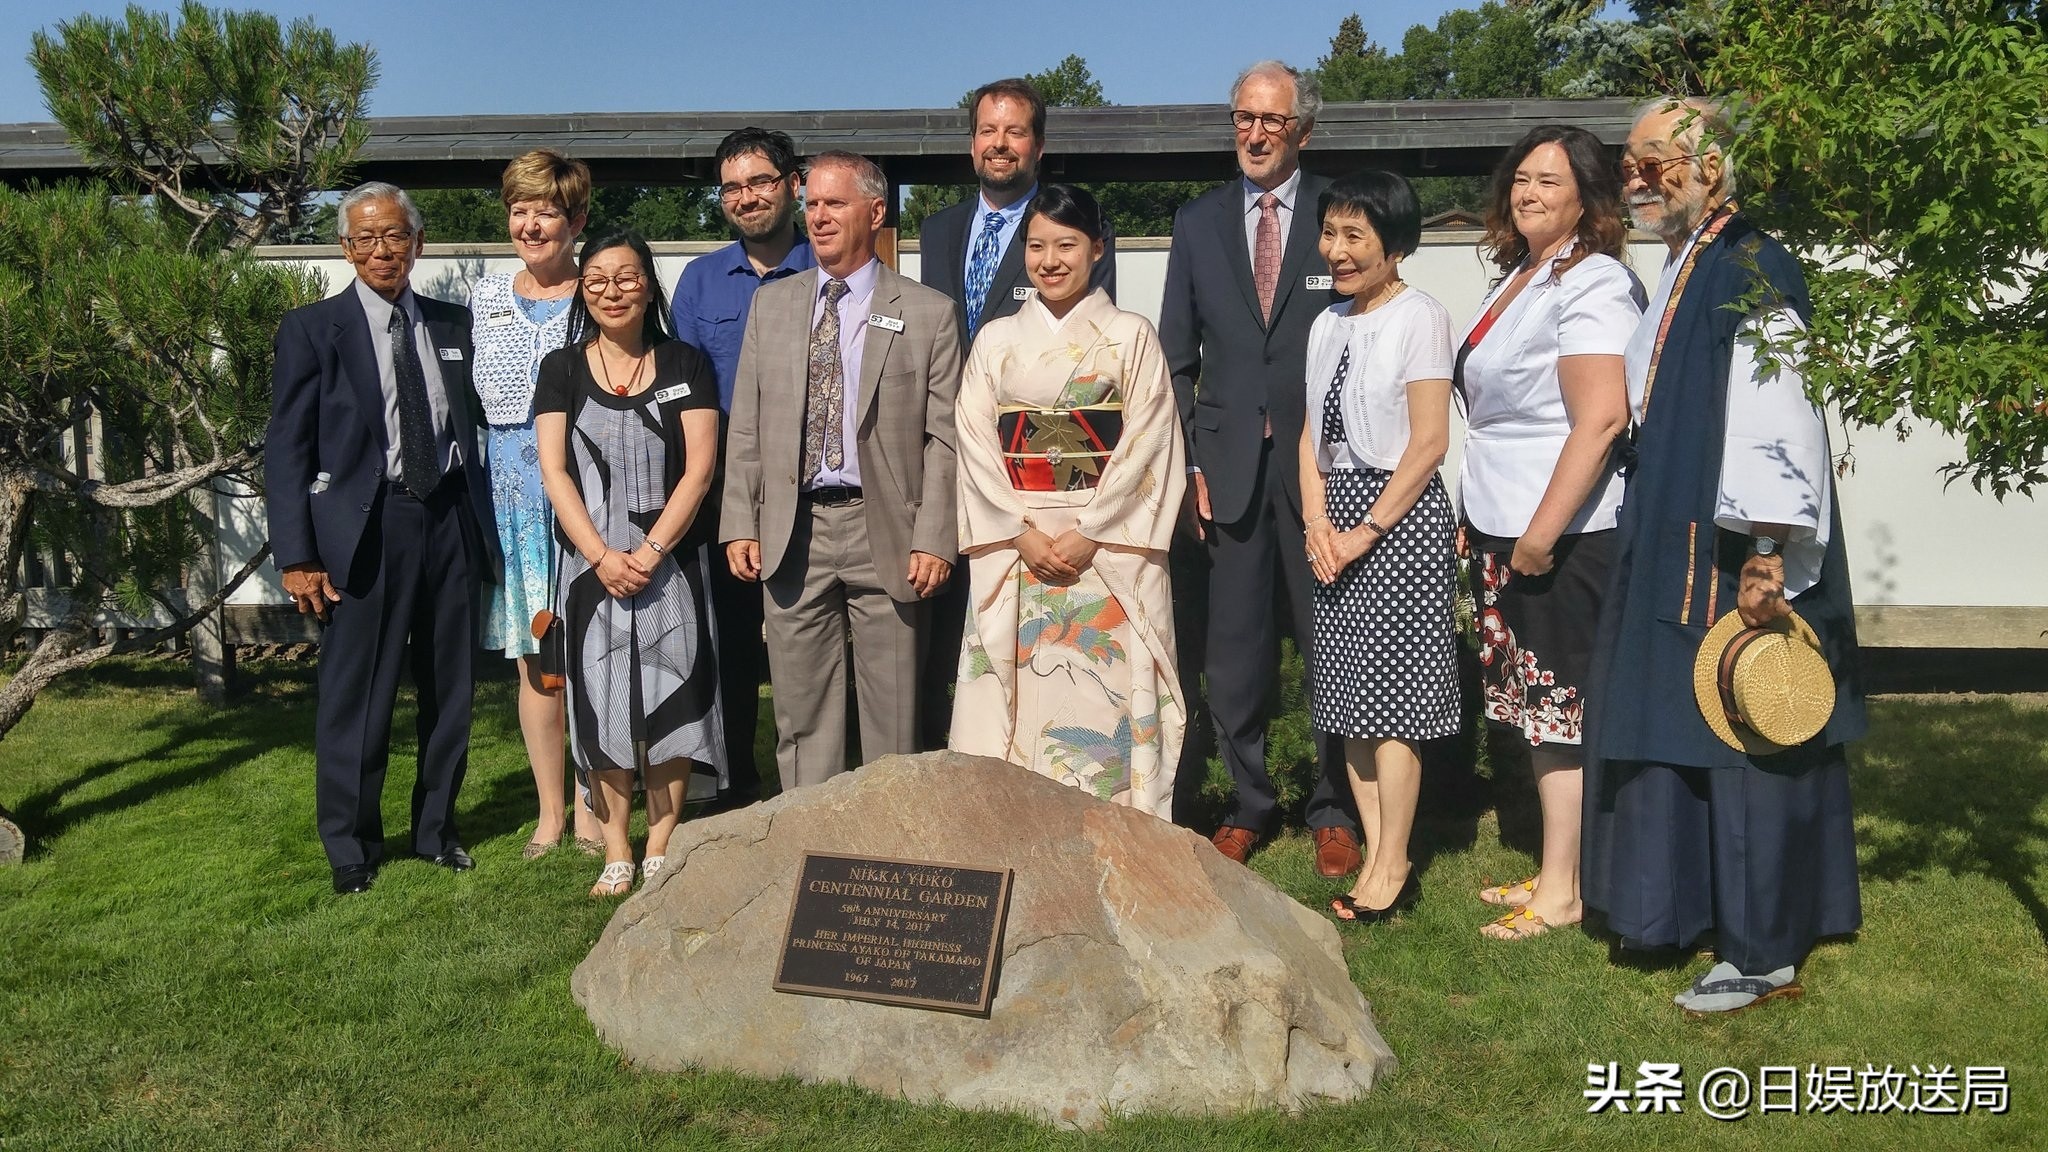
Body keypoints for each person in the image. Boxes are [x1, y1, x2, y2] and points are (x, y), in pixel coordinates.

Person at [1583, 98, 1864, 1012]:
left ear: (1711, 168)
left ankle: (1762, 950)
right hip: (1676, 518)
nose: (1637, 177)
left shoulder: (1752, 266)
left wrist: (1768, 558)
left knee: (1751, 729)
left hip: (1739, 539)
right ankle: (1688, 912)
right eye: (1630, 161)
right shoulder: (1685, 262)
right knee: (1682, 719)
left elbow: (1780, 423)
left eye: (1656, 161)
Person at [266, 181, 501, 895]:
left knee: (450, 690)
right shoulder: (312, 329)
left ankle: (436, 830)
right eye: (365, 238)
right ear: (345, 247)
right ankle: (351, 846)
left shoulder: (454, 324)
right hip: (366, 530)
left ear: (417, 243)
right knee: (356, 697)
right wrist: (298, 553)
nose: (381, 250)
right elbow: (286, 446)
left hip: (449, 520)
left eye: (395, 235)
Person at [1158, 60, 1363, 877]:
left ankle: (1335, 805)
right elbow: (1176, 356)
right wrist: (1189, 464)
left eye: (1271, 120)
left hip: (1325, 470)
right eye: (1244, 116)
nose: (1254, 132)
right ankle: (1250, 801)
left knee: (1329, 642)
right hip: (1228, 468)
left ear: (1302, 131)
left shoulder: (1339, 217)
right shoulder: (1199, 220)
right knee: (1234, 652)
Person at [1453, 125, 1644, 939]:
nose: (1528, 193)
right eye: (1521, 179)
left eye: (1550, 183)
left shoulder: (1592, 281)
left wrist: (1539, 533)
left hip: (1559, 532)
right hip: (1506, 520)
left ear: (1588, 199)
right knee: (1533, 709)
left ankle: (1566, 890)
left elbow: (1600, 419)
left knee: (1559, 709)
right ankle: (1559, 867)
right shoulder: (1528, 274)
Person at [721, 151, 961, 792]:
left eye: (835, 203)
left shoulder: (927, 312)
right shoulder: (772, 308)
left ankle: (892, 859)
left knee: (894, 717)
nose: (818, 216)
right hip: (792, 533)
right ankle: (807, 852)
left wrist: (935, 535)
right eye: (812, 203)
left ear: (875, 212)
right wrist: (741, 521)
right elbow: (746, 425)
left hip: (885, 530)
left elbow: (945, 440)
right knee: (801, 718)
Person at [950, 184, 1185, 815]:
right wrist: (1019, 532)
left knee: (1104, 694)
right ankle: (1014, 832)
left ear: (1097, 250)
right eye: (1036, 246)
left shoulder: (1131, 335)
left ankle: (1119, 834)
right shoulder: (996, 339)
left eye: (1067, 244)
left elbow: (1149, 443)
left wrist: (1092, 531)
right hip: (1019, 541)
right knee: (1023, 691)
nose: (1050, 260)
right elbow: (974, 444)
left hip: (1105, 546)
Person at [916, 78, 1118, 752]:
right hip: (947, 448)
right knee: (946, 628)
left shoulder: (1067, 229)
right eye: (987, 131)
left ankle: (1044, 758)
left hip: (1037, 475)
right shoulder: (939, 229)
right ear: (972, 141)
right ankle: (946, 768)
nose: (998, 144)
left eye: (1014, 131)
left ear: (1039, 144)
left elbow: (1087, 365)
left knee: (1035, 637)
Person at [535, 232, 727, 897]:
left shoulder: (687, 363)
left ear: (648, 284)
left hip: (670, 560)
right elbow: (555, 472)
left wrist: (647, 553)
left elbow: (699, 470)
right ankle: (616, 842)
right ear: (583, 292)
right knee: (601, 701)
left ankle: (663, 836)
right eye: (596, 280)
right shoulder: (561, 369)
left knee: (675, 696)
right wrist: (600, 555)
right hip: (590, 569)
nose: (611, 290)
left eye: (625, 277)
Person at [1297, 171, 1460, 922]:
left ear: (1394, 245)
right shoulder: (1326, 322)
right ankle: (1373, 844)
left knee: (1392, 705)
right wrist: (1317, 525)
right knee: (1347, 701)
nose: (1336, 249)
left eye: (1353, 235)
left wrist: (1364, 532)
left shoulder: (1420, 316)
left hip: (1397, 518)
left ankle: (1394, 860)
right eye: (1330, 233)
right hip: (1334, 520)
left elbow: (1429, 442)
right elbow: (1310, 436)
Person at [672, 128, 816, 809]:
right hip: (727, 495)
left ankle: (816, 783)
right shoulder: (701, 281)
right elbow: (682, 391)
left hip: (815, 492)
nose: (747, 197)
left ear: (794, 184)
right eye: (732, 187)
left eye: (760, 181)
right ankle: (734, 783)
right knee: (728, 646)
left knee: (810, 643)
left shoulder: (830, 267)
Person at [468, 148, 605, 859]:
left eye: (545, 211)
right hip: (511, 502)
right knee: (534, 659)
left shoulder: (598, 293)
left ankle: (592, 808)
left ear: (576, 219)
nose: (529, 223)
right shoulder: (484, 295)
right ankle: (549, 811)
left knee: (588, 654)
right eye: (519, 210)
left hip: (580, 493)